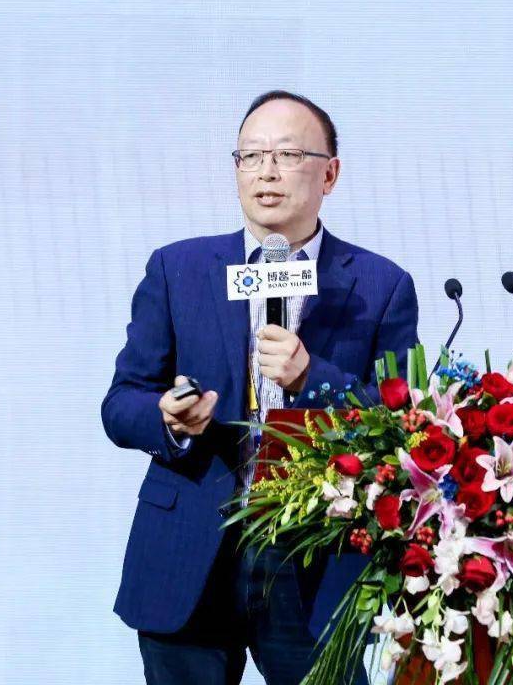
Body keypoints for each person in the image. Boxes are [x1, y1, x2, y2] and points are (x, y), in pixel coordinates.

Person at [101, 90, 419, 685]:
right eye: (250, 155)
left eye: (288, 155)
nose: (266, 172)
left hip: (313, 557)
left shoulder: (381, 285)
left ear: (330, 174)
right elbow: (121, 404)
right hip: (189, 546)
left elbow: (403, 424)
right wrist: (168, 418)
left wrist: (311, 379)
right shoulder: (178, 269)